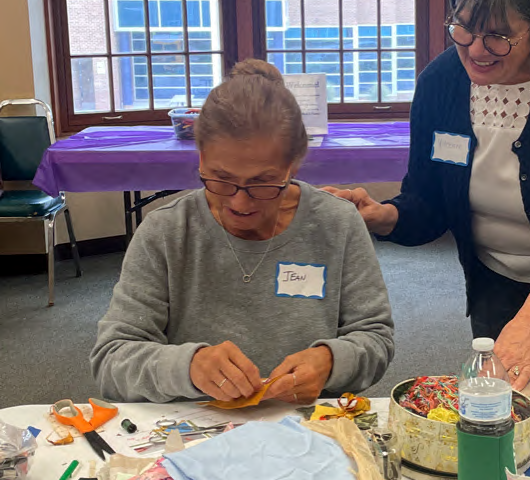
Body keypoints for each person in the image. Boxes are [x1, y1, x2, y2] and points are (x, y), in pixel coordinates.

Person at [325, 0, 530, 392]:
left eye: (497, 37)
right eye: (462, 28)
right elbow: (428, 202)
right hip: (493, 283)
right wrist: (382, 216)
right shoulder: (442, 83)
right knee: (506, 412)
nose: (474, 49)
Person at [90, 60, 395, 404]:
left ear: (292, 165)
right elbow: (111, 360)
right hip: (193, 432)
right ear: (201, 159)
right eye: (221, 179)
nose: (239, 202)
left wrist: (331, 360)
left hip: (309, 428)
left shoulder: (336, 223)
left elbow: (375, 338)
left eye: (262, 182)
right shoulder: (167, 231)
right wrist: (188, 366)